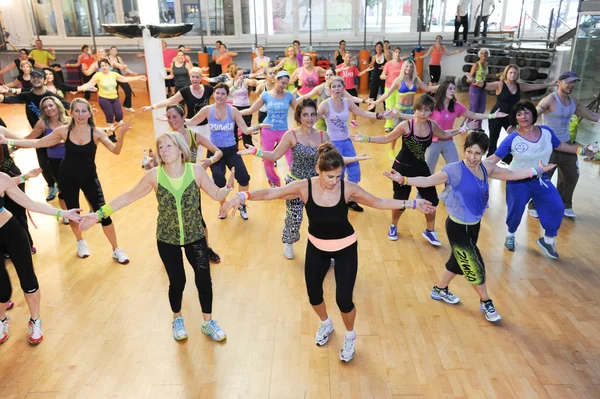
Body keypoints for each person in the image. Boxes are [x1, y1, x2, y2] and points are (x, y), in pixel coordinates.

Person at [221, 142, 435, 362]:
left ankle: (350, 335)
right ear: (318, 170)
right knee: (314, 295)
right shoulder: (304, 187)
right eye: (330, 176)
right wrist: (243, 196)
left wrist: (412, 204)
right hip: (317, 248)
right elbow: (272, 194)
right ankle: (326, 323)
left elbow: (378, 201)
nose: (334, 181)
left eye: (338, 176)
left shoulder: (347, 189)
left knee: (344, 299)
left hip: (345, 249)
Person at [384, 131, 557, 322]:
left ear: (483, 153)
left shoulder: (486, 168)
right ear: (464, 150)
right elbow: (428, 180)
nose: (472, 157)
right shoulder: (454, 170)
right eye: (468, 151)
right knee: (475, 266)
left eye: (477, 153)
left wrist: (537, 171)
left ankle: (440, 289)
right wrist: (404, 180)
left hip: (474, 226)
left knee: (457, 261)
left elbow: (512, 174)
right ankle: (486, 301)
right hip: (457, 227)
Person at [79, 132, 232, 342]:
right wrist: (98, 214)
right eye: (161, 147)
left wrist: (229, 188)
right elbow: (128, 197)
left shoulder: (195, 171)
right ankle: (177, 319)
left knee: (204, 279)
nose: (164, 150)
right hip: (167, 238)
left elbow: (216, 195)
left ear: (180, 149)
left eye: (169, 146)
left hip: (195, 235)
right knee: (177, 281)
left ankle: (208, 322)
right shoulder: (154, 176)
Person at [0, 98, 133, 263]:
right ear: (71, 113)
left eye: (84, 110)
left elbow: (116, 151)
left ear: (90, 113)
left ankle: (116, 249)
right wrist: (9, 141)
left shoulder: (97, 132)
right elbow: (38, 142)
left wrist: (120, 136)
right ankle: (80, 242)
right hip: (67, 177)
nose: (80, 114)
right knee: (73, 212)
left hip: (89, 178)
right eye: (76, 110)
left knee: (104, 213)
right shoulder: (64, 131)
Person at [238, 99, 369, 259]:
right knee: (294, 216)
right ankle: (289, 242)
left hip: (317, 185)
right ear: (298, 116)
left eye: (313, 114)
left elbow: (335, 159)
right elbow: (274, 155)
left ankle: (328, 248)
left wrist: (355, 158)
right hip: (295, 183)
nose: (309, 118)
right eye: (305, 114)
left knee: (323, 218)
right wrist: (256, 152)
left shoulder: (323, 135)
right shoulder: (291, 135)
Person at [486, 101, 595, 259]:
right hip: (518, 181)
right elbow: (494, 158)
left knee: (557, 207)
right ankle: (511, 235)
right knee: (515, 212)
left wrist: (582, 150)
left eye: (526, 112)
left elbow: (560, 146)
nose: (523, 116)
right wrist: (476, 166)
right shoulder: (512, 139)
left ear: (533, 114)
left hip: (541, 179)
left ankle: (548, 240)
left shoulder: (546, 132)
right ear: (515, 118)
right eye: (519, 114)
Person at [352, 95, 463, 246]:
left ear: (431, 112)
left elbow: (444, 135)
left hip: (421, 168)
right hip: (401, 169)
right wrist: (366, 138)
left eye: (427, 110)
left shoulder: (432, 126)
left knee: (432, 200)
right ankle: (393, 226)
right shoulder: (406, 125)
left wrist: (462, 129)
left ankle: (430, 231)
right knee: (400, 202)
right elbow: (387, 139)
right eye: (420, 110)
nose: (423, 113)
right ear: (415, 110)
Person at [0, 172, 81, 345]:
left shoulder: (2, 179)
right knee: (2, 287)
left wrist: (63, 213)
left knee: (27, 278)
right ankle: (2, 319)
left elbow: (30, 204)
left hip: (11, 231)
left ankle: (35, 320)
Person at [188, 83, 266, 219]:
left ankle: (241, 205)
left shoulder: (233, 111)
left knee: (243, 178)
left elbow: (245, 130)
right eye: (217, 93)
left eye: (223, 93)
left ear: (227, 95)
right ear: (214, 94)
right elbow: (191, 122)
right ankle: (223, 208)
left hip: (231, 150)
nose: (219, 96)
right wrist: (175, 120)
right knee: (219, 182)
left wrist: (259, 126)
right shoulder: (207, 110)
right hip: (214, 151)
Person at [528, 71, 600, 220]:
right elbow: (532, 116)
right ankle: (534, 205)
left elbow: (592, 116)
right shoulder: (549, 100)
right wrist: (518, 126)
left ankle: (565, 204)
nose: (572, 85)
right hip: (549, 144)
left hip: (566, 144)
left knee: (571, 176)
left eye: (574, 82)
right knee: (544, 177)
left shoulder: (574, 102)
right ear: (559, 82)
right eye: (568, 82)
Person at [319, 76, 395, 212]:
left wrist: (382, 115)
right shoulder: (325, 104)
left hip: (347, 141)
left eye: (339, 86)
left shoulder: (347, 102)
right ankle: (337, 200)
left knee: (354, 171)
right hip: (333, 143)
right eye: (334, 87)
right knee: (337, 173)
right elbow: (312, 119)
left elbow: (364, 113)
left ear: (343, 88)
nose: (336, 89)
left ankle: (350, 199)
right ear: (330, 89)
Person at [0, 68, 73, 201]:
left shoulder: (52, 97)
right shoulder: (27, 95)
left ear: (44, 80)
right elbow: (6, 99)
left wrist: (87, 109)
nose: (35, 79)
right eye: (33, 76)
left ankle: (65, 187)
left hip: (55, 136)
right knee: (44, 165)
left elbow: (67, 105)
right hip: (38, 135)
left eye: (39, 77)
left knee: (59, 164)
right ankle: (52, 186)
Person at [425, 80, 507, 174]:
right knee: (428, 170)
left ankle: (450, 188)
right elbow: (419, 118)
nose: (453, 91)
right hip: (433, 142)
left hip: (448, 141)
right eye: (450, 89)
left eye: (454, 89)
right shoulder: (433, 105)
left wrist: (492, 116)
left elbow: (474, 115)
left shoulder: (456, 106)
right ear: (443, 90)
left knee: (455, 169)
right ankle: (423, 188)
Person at [239, 71, 298, 187]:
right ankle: (274, 182)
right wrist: (233, 113)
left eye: (286, 84)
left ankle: (295, 179)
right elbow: (251, 110)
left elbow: (299, 112)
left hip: (284, 131)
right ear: (276, 80)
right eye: (282, 82)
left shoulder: (289, 96)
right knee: (267, 158)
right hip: (268, 130)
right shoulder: (266, 95)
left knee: (291, 156)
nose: (284, 86)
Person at [485, 64, 556, 159]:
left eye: (515, 73)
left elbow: (534, 86)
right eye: (510, 72)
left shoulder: (520, 86)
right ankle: (489, 161)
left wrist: (550, 84)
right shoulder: (500, 84)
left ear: (517, 74)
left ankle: (509, 158)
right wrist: (474, 82)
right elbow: (486, 85)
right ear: (506, 73)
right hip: (496, 116)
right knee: (493, 139)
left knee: (517, 135)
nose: (512, 75)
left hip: (512, 118)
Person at [371, 60, 438, 160]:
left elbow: (427, 88)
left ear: (413, 69)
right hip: (399, 110)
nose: (408, 69)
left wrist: (442, 86)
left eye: (411, 67)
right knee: (396, 132)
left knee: (412, 132)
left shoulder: (416, 80)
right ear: (403, 68)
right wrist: (376, 102)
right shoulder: (398, 80)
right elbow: (387, 94)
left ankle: (411, 151)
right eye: (407, 67)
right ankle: (392, 150)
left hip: (411, 110)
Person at [23, 96, 70, 223]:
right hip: (55, 161)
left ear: (57, 106)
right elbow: (30, 138)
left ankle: (91, 210)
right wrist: (10, 144)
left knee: (78, 185)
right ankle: (66, 214)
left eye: (51, 105)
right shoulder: (43, 123)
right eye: (45, 107)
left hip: (71, 159)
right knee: (63, 188)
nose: (49, 109)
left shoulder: (69, 121)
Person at [78, 59, 147, 134]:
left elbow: (124, 79)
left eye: (105, 65)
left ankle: (114, 126)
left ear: (109, 66)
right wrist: (77, 89)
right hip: (104, 99)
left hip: (114, 98)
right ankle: (111, 134)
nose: (104, 67)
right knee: (110, 117)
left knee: (119, 116)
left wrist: (138, 78)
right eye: (102, 66)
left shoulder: (114, 74)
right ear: (100, 67)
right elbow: (89, 84)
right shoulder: (97, 75)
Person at [142, 67, 214, 139]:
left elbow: (220, 98)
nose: (195, 79)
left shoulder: (208, 89)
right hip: (191, 125)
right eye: (193, 77)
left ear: (201, 78)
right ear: (190, 77)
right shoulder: (185, 91)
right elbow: (169, 101)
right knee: (195, 149)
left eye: (197, 77)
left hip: (206, 125)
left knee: (210, 146)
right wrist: (152, 107)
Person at [336, 52, 373, 126]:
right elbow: (335, 76)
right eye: (346, 57)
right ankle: (340, 121)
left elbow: (358, 74)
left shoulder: (352, 67)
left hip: (352, 89)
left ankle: (353, 121)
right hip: (343, 91)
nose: (348, 59)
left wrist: (366, 70)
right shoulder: (339, 67)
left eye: (349, 57)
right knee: (341, 106)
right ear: (343, 57)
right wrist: (340, 70)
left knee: (355, 105)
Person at [229, 68, 260, 149]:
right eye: (239, 75)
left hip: (246, 107)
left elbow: (255, 82)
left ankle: (248, 145)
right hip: (235, 107)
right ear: (234, 75)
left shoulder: (245, 81)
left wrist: (264, 81)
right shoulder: (231, 83)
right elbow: (225, 91)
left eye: (242, 74)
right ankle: (234, 146)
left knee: (246, 127)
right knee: (234, 128)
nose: (241, 76)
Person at [380, 47, 405, 129]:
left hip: (400, 89)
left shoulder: (403, 63)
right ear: (393, 53)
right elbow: (382, 74)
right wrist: (383, 76)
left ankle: (398, 126)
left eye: (399, 52)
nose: (397, 54)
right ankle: (389, 125)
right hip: (389, 88)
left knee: (398, 107)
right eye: (396, 52)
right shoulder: (388, 64)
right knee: (389, 107)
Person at [465, 48, 490, 130]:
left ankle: (478, 126)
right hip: (474, 88)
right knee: (474, 108)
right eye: (482, 53)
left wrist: (497, 75)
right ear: (479, 55)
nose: (484, 55)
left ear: (487, 55)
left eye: (485, 53)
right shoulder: (476, 65)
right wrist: (470, 79)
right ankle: (467, 125)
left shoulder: (486, 65)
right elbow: (470, 77)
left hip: (482, 88)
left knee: (482, 108)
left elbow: (486, 76)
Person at [108, 46, 138, 112]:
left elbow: (124, 67)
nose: (114, 52)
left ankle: (127, 105)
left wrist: (132, 72)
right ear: (110, 51)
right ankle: (116, 108)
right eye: (113, 50)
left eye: (115, 50)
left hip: (119, 76)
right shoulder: (107, 58)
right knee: (115, 93)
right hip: (111, 77)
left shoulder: (118, 58)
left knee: (128, 89)